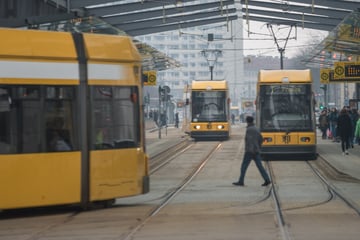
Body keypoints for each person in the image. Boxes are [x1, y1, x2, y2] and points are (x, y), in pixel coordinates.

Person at [233, 116, 271, 187]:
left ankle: (241, 181)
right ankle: (267, 179)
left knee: (244, 166)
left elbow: (250, 141)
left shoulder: (249, 129)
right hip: (256, 151)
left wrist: (251, 150)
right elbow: (261, 139)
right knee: (260, 166)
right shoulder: (257, 128)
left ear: (247, 121)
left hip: (250, 151)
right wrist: (258, 147)